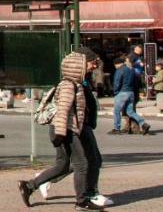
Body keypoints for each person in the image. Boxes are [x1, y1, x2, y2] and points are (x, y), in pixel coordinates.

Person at [21, 48, 111, 208]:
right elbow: (63, 111)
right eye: (91, 63)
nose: (93, 66)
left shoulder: (78, 82)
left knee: (64, 165)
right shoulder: (69, 85)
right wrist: (60, 134)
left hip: (70, 128)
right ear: (81, 64)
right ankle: (83, 201)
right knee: (82, 163)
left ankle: (29, 186)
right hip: (67, 129)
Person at [110, 55, 150, 135]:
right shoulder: (131, 70)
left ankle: (117, 129)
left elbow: (117, 83)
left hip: (122, 92)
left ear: (117, 64)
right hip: (131, 93)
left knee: (117, 111)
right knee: (130, 112)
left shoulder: (119, 70)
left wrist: (115, 92)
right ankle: (143, 124)